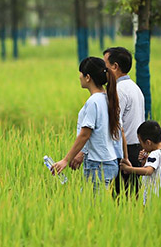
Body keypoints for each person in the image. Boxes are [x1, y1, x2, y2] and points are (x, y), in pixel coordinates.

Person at [50, 57, 126, 191]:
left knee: (95, 208)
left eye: (81, 73)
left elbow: (85, 134)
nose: (79, 77)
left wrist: (66, 160)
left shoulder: (94, 102)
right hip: (110, 162)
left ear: (88, 77)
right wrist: (124, 157)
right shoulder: (109, 99)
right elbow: (120, 132)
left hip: (98, 165)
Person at [104, 47, 145, 194]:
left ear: (115, 67)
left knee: (122, 195)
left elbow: (116, 125)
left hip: (125, 150)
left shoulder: (119, 89)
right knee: (130, 194)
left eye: (105, 66)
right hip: (137, 148)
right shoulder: (134, 87)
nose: (103, 71)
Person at [120, 120, 161, 205]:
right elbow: (153, 171)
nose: (141, 146)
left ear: (148, 142)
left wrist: (128, 169)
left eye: (141, 142)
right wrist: (144, 162)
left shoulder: (154, 154)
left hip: (150, 199)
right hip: (160, 198)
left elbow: (148, 171)